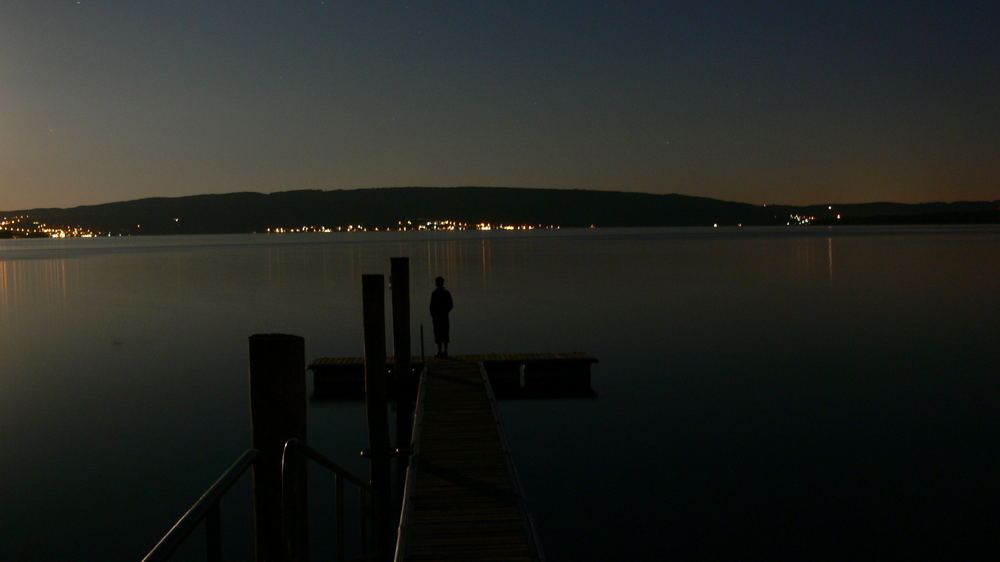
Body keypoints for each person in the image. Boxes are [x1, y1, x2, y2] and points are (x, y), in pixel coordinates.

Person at [429, 276, 453, 358]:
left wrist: (433, 314)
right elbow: (451, 305)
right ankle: (445, 351)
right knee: (445, 333)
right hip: (444, 316)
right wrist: (446, 311)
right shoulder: (446, 293)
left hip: (437, 317)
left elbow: (431, 306)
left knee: (438, 333)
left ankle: (440, 351)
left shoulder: (434, 293)